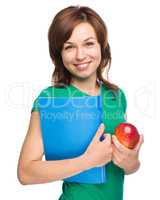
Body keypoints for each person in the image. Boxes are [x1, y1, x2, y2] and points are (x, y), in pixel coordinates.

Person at [17, 5, 144, 200]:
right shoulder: (50, 100)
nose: (80, 55)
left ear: (102, 46)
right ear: (59, 53)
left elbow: (126, 169)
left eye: (89, 43)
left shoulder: (116, 97)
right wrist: (88, 161)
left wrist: (131, 161)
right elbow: (25, 172)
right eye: (69, 46)